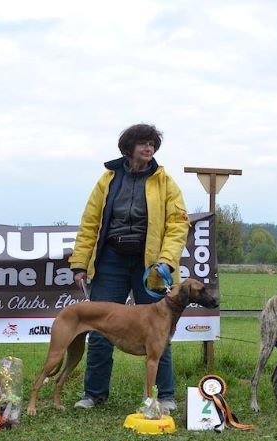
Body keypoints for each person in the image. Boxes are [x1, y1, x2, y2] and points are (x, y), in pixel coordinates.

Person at [68, 123, 189, 412]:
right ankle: (94, 394)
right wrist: (80, 263)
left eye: (153, 145)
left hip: (151, 265)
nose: (149, 149)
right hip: (111, 260)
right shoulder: (107, 180)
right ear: (128, 147)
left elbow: (177, 225)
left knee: (160, 331)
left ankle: (165, 395)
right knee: (99, 327)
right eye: (143, 144)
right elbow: (89, 223)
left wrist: (166, 261)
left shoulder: (166, 182)